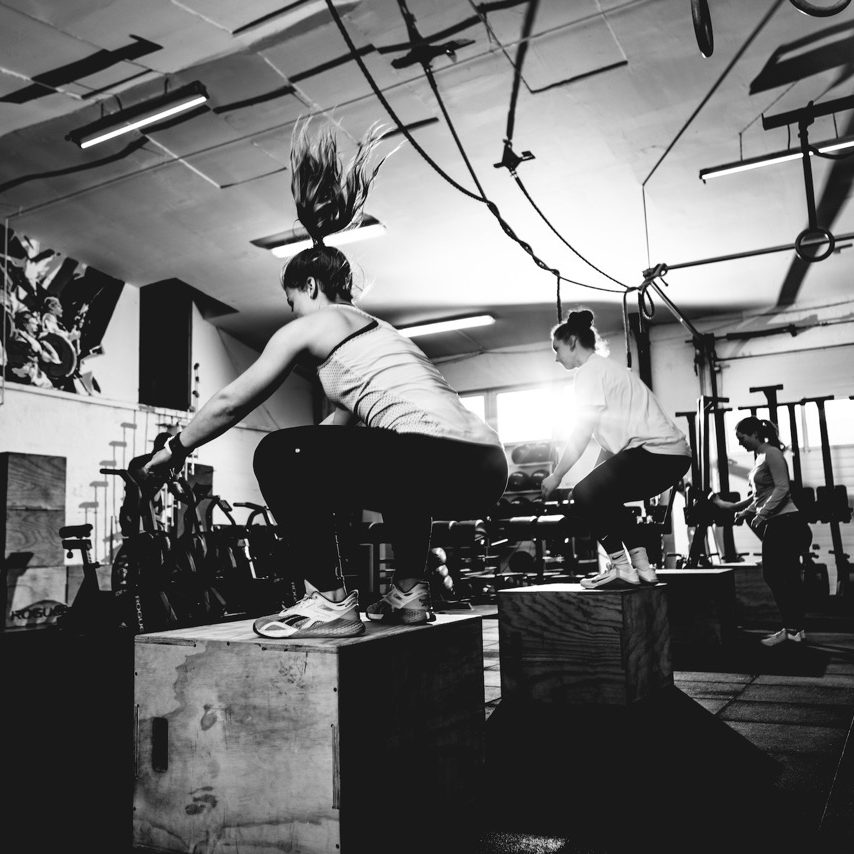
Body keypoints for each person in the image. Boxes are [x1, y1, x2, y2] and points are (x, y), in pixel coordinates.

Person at [138, 119, 507, 639]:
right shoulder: (382, 337)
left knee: (276, 453)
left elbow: (231, 402)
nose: (292, 313)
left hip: (432, 457)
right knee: (394, 475)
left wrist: (173, 450)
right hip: (486, 468)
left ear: (309, 287)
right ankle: (409, 595)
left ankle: (330, 601)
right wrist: (310, 485)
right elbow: (332, 439)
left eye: (291, 301)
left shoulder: (315, 325)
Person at [540, 309, 692, 589]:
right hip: (672, 457)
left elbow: (582, 432)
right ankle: (643, 568)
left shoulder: (588, 372)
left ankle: (622, 567)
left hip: (656, 454)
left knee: (585, 494)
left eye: (556, 349)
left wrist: (557, 475)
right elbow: (611, 449)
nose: (556, 357)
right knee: (601, 496)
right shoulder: (607, 369)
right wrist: (594, 483)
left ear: (572, 342)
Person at [711, 416, 812, 646]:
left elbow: (783, 488)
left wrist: (762, 514)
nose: (740, 442)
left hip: (787, 523)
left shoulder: (772, 453)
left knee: (776, 575)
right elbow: (761, 495)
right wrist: (744, 512)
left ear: (755, 434)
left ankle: (793, 629)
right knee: (784, 576)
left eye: (742, 437)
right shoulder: (760, 457)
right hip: (780, 523)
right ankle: (794, 629)